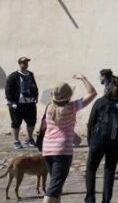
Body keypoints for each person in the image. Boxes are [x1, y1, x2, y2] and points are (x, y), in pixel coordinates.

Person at [40, 74, 97, 203]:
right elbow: (92, 93)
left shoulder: (49, 107)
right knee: (53, 188)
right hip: (62, 150)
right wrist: (83, 78)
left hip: (47, 148)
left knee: (56, 185)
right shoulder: (71, 107)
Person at [85, 76, 118, 203]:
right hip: (116, 141)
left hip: (98, 140)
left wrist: (90, 141)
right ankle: (106, 200)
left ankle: (90, 199)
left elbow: (91, 122)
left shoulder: (100, 102)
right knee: (110, 170)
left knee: (91, 169)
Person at [5, 57, 40, 149]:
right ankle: (16, 141)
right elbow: (8, 90)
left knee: (31, 121)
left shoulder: (30, 74)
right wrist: (11, 101)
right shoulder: (13, 76)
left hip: (30, 103)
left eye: (26, 63)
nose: (25, 65)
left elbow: (34, 86)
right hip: (17, 104)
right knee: (16, 122)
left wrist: (36, 95)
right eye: (23, 63)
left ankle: (29, 138)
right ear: (19, 64)